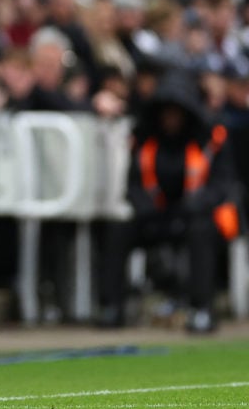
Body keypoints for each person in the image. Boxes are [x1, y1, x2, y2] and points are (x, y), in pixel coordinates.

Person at [98, 69, 237, 333]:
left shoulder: (212, 138)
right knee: (119, 230)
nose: (171, 118)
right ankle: (111, 306)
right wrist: (144, 205)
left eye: (177, 111)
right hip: (156, 216)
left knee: (202, 232)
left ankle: (202, 309)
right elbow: (133, 184)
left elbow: (223, 185)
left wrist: (197, 203)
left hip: (194, 215)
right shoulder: (145, 139)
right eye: (167, 111)